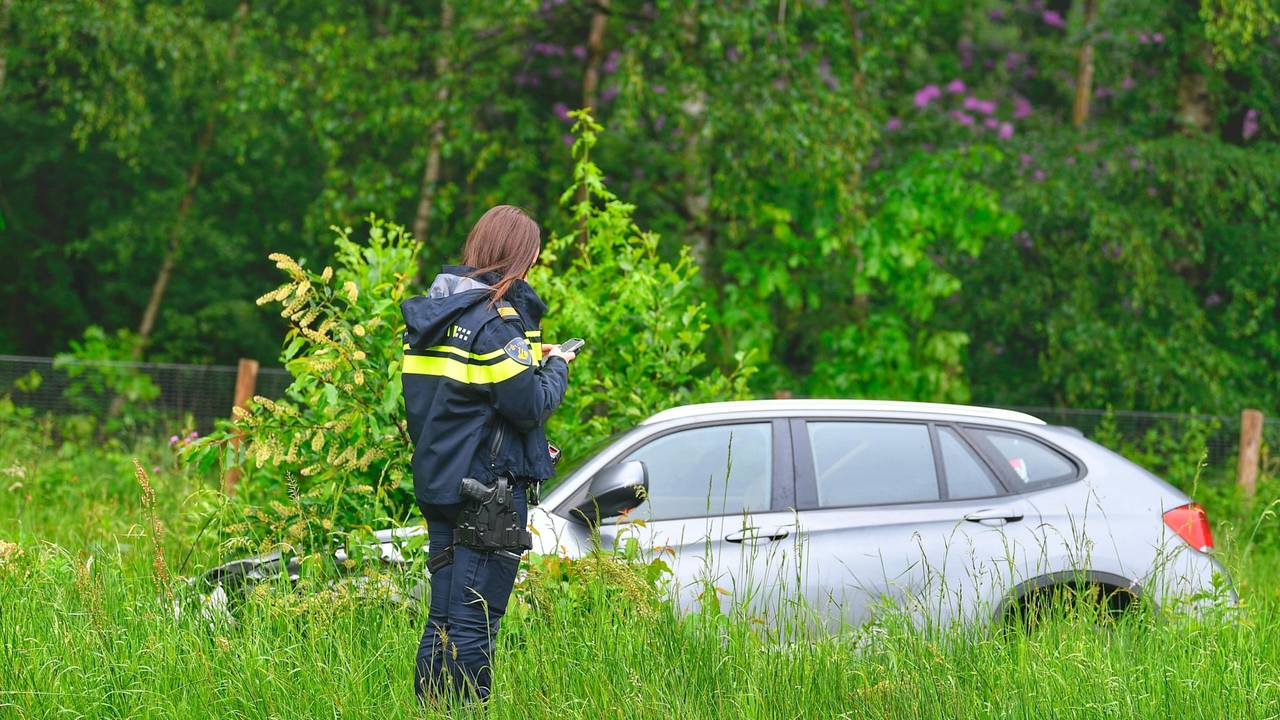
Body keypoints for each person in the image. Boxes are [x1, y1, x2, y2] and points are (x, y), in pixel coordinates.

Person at [400, 205, 576, 704]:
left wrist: (525, 359)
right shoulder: (496, 325)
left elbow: (459, 396)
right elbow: (530, 405)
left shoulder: (435, 318)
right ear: (521, 257)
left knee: (443, 619)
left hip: (440, 481)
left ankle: (432, 712)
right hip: (488, 493)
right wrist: (557, 364)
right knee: (476, 622)